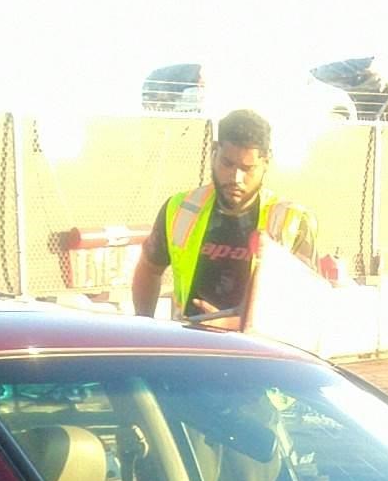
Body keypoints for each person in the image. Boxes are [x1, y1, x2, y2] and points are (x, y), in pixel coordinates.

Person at [129, 109, 319, 328]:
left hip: (261, 352)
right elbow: (149, 268)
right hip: (191, 344)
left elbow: (307, 308)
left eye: (247, 169)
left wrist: (232, 324)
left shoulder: (292, 222)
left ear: (266, 163)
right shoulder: (181, 209)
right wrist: (145, 326)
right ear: (214, 153)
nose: (235, 178)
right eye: (227, 164)